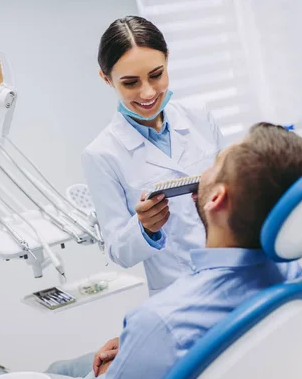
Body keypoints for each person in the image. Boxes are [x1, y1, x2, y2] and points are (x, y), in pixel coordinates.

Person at [0, 123, 302, 379]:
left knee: (47, 378)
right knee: (67, 365)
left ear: (215, 199)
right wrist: (138, 345)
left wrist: (123, 362)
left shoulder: (160, 321)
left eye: (215, 163)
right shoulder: (292, 276)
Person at [82, 15, 226, 297]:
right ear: (106, 78)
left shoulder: (200, 117)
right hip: (179, 293)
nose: (147, 92)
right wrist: (145, 228)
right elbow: (118, 251)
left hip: (233, 269)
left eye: (156, 75)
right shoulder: (101, 155)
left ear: (167, 60)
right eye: (130, 83)